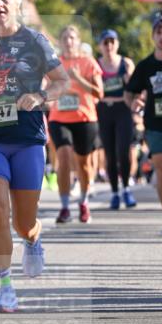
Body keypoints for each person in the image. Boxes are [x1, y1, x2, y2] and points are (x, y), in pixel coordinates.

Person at [0, 0, 68, 312]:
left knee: (23, 222)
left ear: (18, 3)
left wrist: (41, 96)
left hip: (28, 139)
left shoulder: (34, 41)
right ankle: (5, 286)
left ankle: (33, 239)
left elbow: (63, 81)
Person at [49, 25, 104, 224]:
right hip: (59, 118)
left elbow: (99, 93)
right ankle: (64, 207)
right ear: (61, 42)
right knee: (63, 157)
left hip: (85, 119)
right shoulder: (54, 63)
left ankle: (83, 202)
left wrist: (78, 78)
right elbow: (46, 89)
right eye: (65, 38)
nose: (68, 41)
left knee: (84, 164)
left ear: (78, 40)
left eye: (72, 37)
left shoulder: (88, 62)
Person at [124, 12, 162, 232]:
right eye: (159, 32)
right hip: (156, 125)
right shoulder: (145, 65)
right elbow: (129, 93)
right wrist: (134, 108)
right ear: (153, 36)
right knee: (161, 169)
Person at [96, 29, 136, 210]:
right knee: (110, 154)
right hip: (104, 111)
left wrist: (128, 77)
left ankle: (126, 188)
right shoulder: (96, 65)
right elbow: (92, 91)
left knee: (123, 150)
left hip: (123, 110)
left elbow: (135, 88)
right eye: (105, 42)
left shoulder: (126, 63)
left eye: (112, 42)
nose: (109, 46)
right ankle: (114, 193)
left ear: (117, 44)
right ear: (100, 46)